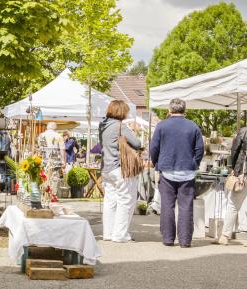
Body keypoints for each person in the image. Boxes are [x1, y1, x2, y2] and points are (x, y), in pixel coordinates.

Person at [150, 98, 203, 248]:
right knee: (186, 206)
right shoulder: (193, 126)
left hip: (166, 169)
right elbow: (199, 149)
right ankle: (185, 241)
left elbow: (154, 148)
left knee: (167, 205)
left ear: (169, 110)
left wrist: (157, 163)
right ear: (184, 110)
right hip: (187, 170)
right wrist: (194, 163)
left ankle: (168, 238)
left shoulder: (162, 126)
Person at [99, 100, 142, 243]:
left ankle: (108, 233)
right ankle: (120, 235)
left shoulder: (102, 126)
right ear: (121, 112)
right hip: (120, 168)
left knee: (110, 201)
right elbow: (137, 143)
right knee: (125, 200)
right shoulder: (120, 126)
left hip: (106, 168)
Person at [214, 126, 247, 245]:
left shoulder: (244, 131)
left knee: (233, 204)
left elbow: (234, 151)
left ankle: (225, 236)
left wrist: (234, 168)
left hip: (243, 174)